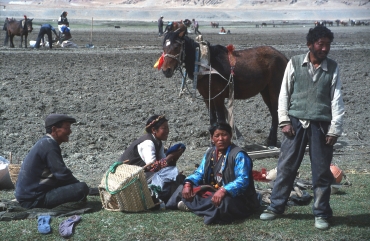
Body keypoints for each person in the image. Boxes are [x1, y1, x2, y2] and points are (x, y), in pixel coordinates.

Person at [260, 26, 345, 230]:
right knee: (286, 167)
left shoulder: (332, 68)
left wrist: (335, 129)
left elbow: (337, 100)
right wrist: (284, 121)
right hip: (295, 124)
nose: (325, 49)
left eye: (328, 45)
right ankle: (276, 207)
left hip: (321, 126)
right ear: (310, 45)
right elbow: (284, 94)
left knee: (321, 171)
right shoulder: (295, 63)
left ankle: (321, 213)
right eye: (320, 44)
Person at [179, 122, 259, 225]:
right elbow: (200, 172)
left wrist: (224, 190)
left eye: (224, 135)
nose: (221, 139)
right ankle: (203, 207)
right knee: (184, 189)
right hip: (214, 191)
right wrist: (188, 184)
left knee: (225, 203)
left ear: (230, 135)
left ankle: (193, 206)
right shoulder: (210, 153)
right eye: (217, 136)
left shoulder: (239, 155)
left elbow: (243, 180)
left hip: (237, 197)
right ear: (212, 138)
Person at [15, 114, 89, 209]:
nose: (70, 132)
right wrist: (78, 185)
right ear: (54, 129)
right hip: (33, 199)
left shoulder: (45, 143)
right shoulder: (49, 145)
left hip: (28, 196)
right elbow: (62, 174)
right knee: (82, 188)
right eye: (67, 128)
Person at [118, 114, 185, 203]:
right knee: (167, 179)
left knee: (173, 175)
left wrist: (174, 158)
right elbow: (152, 167)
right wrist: (171, 156)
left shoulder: (158, 143)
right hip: (128, 179)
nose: (167, 131)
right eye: (164, 128)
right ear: (154, 130)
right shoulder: (148, 143)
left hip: (143, 174)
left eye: (167, 128)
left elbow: (163, 164)